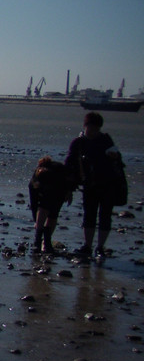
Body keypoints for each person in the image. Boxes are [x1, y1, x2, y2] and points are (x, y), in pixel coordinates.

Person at [65, 111, 120, 263]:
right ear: (85, 126)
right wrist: (69, 187)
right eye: (91, 127)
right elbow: (69, 165)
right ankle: (87, 246)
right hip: (89, 185)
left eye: (96, 128)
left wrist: (115, 157)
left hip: (107, 184)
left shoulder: (106, 140)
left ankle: (100, 247)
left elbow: (116, 160)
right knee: (89, 215)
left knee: (105, 215)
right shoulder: (78, 142)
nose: (93, 131)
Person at [28, 156, 72, 254]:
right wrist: (36, 220)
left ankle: (46, 242)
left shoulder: (60, 174)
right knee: (43, 209)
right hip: (49, 189)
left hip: (59, 190)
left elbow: (69, 183)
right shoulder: (34, 181)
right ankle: (38, 241)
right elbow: (34, 204)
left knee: (53, 214)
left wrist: (69, 193)